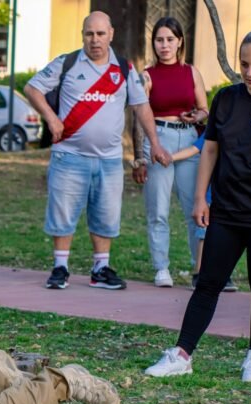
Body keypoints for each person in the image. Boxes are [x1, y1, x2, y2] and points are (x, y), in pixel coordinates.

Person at [144, 30, 251, 383]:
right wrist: (201, 198)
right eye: (245, 64)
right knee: (208, 283)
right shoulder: (226, 99)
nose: (250, 72)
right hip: (225, 211)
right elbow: (209, 149)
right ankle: (182, 354)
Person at [24, 11, 170, 291]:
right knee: (62, 213)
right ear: (83, 36)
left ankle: (100, 268)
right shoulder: (66, 63)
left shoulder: (124, 69)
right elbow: (33, 89)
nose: (95, 40)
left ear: (111, 34)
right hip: (69, 155)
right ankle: (60, 267)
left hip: (109, 160)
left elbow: (141, 107)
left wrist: (156, 143)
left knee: (106, 214)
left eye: (100, 34)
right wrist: (51, 118)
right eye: (89, 34)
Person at [131, 17, 209, 288]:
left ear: (180, 42)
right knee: (158, 209)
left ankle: (199, 268)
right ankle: (161, 268)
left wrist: (195, 115)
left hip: (188, 140)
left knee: (194, 208)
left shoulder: (191, 72)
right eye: (159, 40)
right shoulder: (147, 75)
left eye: (169, 40)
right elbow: (139, 117)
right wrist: (140, 156)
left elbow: (204, 109)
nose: (164, 45)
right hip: (158, 139)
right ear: (153, 43)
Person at [165, 130, 236, 292]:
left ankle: (222, 274)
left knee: (228, 237)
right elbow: (195, 149)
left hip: (234, 195)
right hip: (214, 193)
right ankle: (199, 273)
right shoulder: (219, 126)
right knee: (204, 234)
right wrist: (171, 157)